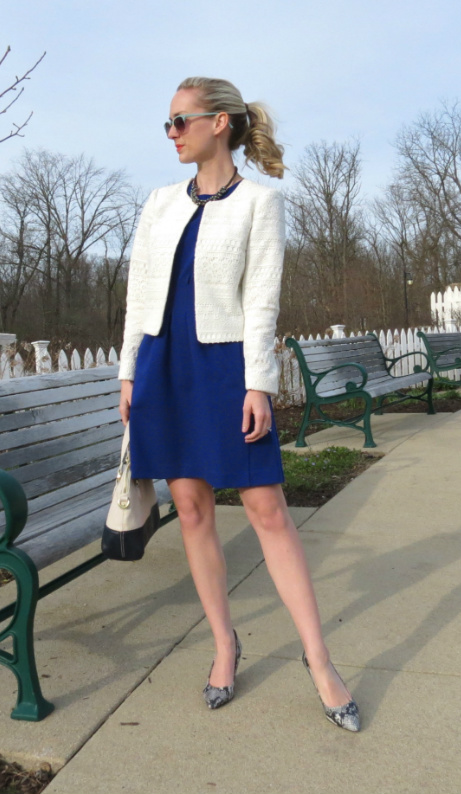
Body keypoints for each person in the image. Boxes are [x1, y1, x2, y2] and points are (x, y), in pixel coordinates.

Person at [118, 76, 360, 733]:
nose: (172, 134)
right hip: (163, 364)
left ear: (219, 122)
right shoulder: (159, 203)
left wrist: (259, 383)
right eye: (167, 124)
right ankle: (224, 645)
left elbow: (263, 301)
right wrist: (127, 374)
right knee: (191, 507)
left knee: (266, 508)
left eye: (180, 122)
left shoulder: (260, 203)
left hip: (226, 366)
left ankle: (319, 659)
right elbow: (140, 295)